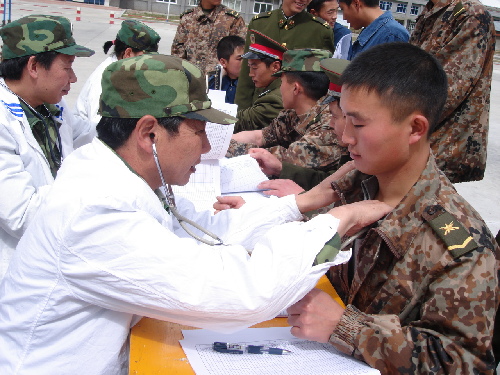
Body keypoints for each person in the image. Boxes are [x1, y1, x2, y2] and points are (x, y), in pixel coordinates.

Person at [0, 53, 391, 374]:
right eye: (198, 131)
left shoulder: (124, 177)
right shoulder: (96, 212)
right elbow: (242, 292)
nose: (206, 148)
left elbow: (207, 229)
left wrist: (302, 203)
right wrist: (335, 222)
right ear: (149, 132)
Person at [285, 42, 500, 373]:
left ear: (414, 128)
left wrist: (348, 328)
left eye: (358, 125)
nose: (344, 137)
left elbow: (465, 362)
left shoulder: (459, 243)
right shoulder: (358, 183)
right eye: (344, 118)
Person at [0, 14, 95, 279]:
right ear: (33, 66)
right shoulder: (3, 121)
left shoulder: (51, 107)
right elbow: (21, 215)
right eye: (67, 67)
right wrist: (91, 181)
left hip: (54, 253)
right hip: (16, 273)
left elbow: (89, 135)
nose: (74, 78)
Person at [409, 0, 495, 183]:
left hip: (442, 142)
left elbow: (449, 89)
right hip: (420, 137)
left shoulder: (469, 14)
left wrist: (396, 119)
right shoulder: (431, 12)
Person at [251, 56, 351, 197]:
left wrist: (302, 198)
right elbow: (329, 182)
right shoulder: (294, 113)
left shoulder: (326, 127)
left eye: (281, 82)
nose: (332, 122)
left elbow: (347, 205)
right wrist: (281, 169)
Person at [228, 49, 339, 172]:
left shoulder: (329, 124)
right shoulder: (293, 114)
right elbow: (260, 137)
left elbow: (277, 159)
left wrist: (224, 146)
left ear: (296, 88)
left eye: (281, 82)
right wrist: (223, 141)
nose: (280, 88)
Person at [234, 0, 335, 112]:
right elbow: (246, 73)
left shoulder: (320, 31)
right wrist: (241, 111)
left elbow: (323, 81)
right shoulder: (260, 24)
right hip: (261, 108)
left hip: (297, 113)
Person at [74, 19, 160, 129]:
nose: (149, 63)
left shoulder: (124, 71)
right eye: (144, 58)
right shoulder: (103, 81)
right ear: (128, 53)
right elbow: (99, 130)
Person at [171, 0, 246, 75]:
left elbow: (241, 55)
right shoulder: (187, 18)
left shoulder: (232, 19)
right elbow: (177, 53)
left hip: (219, 81)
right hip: (191, 79)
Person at [233, 30, 287, 132]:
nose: (250, 74)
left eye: (254, 67)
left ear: (275, 67)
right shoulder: (272, 87)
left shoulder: (276, 98)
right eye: (249, 67)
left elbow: (245, 120)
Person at [338, 0, 409, 60]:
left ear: (356, 4)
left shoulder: (392, 35)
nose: (344, 17)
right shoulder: (375, 32)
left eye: (342, 9)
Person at [208, 35, 245, 104]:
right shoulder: (213, 83)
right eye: (239, 59)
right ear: (223, 62)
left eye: (246, 57)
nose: (245, 62)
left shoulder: (252, 83)